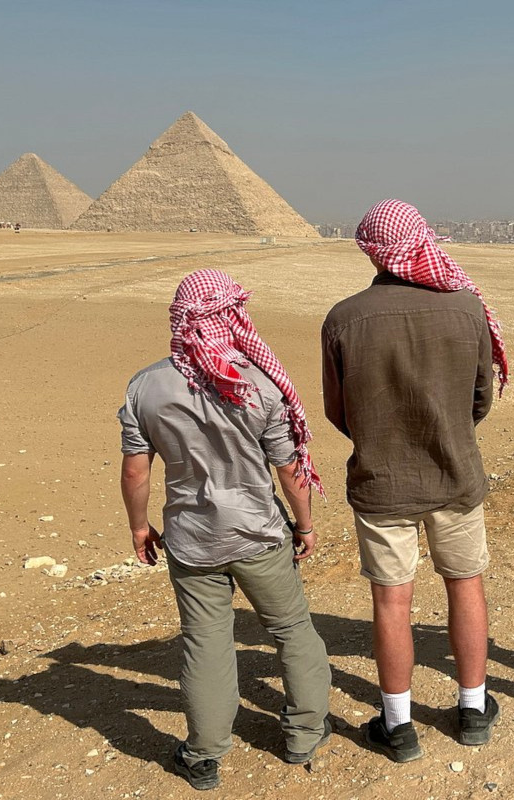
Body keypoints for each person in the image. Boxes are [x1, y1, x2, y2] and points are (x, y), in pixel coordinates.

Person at [119, 269, 331, 790]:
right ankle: (304, 733)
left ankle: (204, 754)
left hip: (192, 538)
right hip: (258, 531)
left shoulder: (146, 386)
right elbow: (289, 469)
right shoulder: (259, 382)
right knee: (291, 630)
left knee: (206, 640)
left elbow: (135, 470)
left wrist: (139, 526)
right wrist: (305, 525)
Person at [321, 199, 508, 762]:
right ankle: (473, 710)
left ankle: (398, 727)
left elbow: (338, 411)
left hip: (383, 484)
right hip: (455, 476)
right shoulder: (466, 308)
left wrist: (384, 436)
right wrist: (447, 429)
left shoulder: (344, 318)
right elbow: (481, 396)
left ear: (370, 250)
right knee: (465, 585)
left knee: (391, 603)